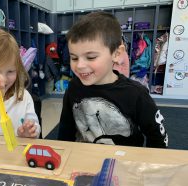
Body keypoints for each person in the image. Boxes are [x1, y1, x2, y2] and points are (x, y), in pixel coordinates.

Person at [57, 12, 168, 148]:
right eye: (74, 58)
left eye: (91, 57)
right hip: (84, 160)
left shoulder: (136, 94)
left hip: (124, 163)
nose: (79, 65)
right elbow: (65, 129)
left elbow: (158, 138)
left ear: (116, 54)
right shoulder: (74, 87)